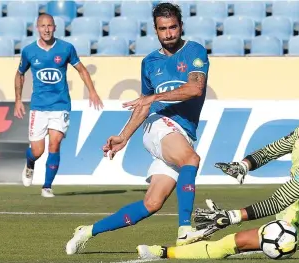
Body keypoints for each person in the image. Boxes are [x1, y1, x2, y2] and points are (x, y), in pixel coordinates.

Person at [136, 100, 299, 260]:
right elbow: (272, 149)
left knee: (228, 244)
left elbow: (281, 199)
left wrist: (234, 216)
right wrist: (244, 165)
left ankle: (163, 253)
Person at [65, 2, 209, 255]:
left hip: (181, 131)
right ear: (155, 30)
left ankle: (87, 231)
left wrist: (153, 98)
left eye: (173, 27)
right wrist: (123, 136)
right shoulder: (149, 62)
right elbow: (143, 105)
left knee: (151, 203)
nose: (169, 33)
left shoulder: (194, 51)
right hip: (158, 125)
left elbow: (195, 88)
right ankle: (185, 229)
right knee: (191, 159)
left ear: (181, 26)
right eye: (163, 29)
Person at [14, 14, 103, 198]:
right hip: (39, 107)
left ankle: (47, 186)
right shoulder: (29, 51)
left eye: (49, 26)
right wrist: (18, 100)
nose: (46, 29)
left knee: (54, 144)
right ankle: (30, 163)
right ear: (37, 28)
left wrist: (92, 91)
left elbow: (82, 70)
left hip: (61, 105)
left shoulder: (66, 48)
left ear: (55, 28)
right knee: (37, 151)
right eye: (42, 26)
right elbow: (20, 74)